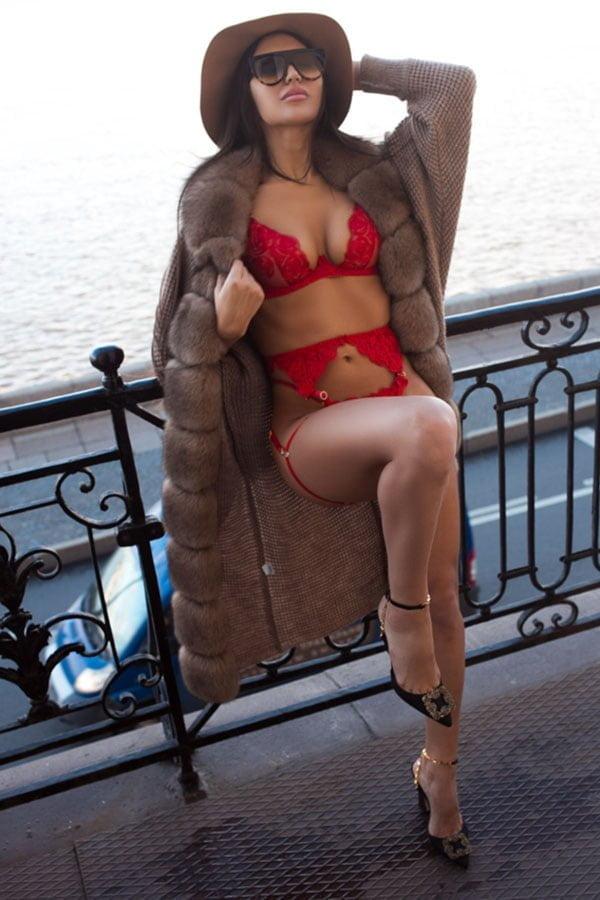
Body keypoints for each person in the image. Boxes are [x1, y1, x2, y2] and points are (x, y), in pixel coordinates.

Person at [152, 12, 475, 867]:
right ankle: (399, 615)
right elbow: (173, 357)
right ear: (244, 92)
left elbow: (452, 90)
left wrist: (352, 63)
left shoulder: (376, 178)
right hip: (314, 430)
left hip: (408, 411)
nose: (291, 76)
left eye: (306, 63)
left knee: (448, 597)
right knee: (432, 429)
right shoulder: (218, 205)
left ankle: (441, 771)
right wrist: (223, 328)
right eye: (270, 68)